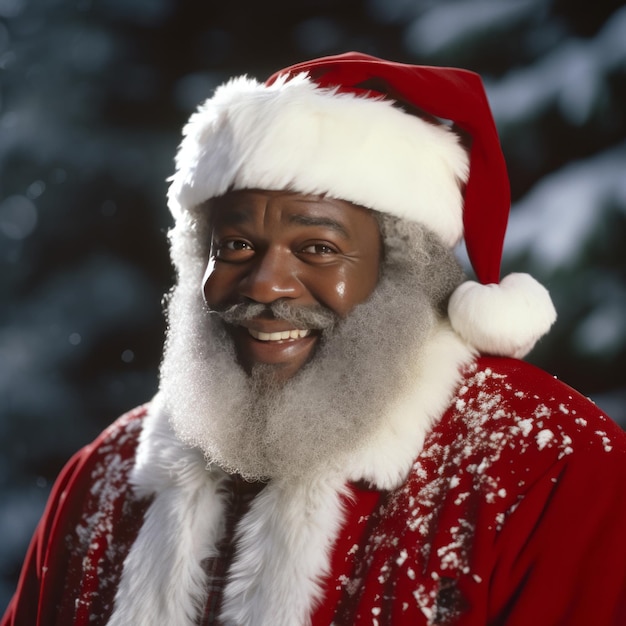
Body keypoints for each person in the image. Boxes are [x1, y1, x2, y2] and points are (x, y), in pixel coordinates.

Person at [3, 52, 626, 626]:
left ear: (403, 267)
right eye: (236, 246)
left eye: (318, 248)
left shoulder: (548, 468)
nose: (267, 284)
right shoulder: (109, 474)